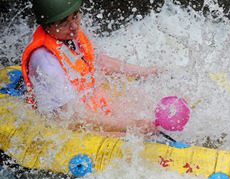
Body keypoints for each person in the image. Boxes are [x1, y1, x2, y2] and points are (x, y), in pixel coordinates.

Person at [22, 0, 161, 135]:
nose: (74, 26)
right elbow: (71, 116)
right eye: (64, 23)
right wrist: (131, 125)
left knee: (148, 115)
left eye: (75, 16)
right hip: (67, 125)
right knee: (140, 137)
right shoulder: (46, 62)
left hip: (87, 106)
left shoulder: (68, 34)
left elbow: (98, 62)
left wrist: (146, 72)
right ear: (46, 26)